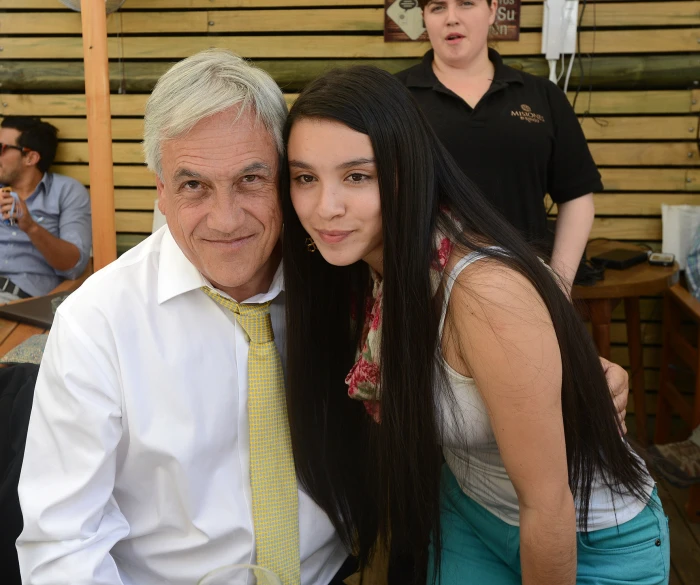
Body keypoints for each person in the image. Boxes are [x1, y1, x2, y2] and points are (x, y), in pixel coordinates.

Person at [280, 66, 668, 585]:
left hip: (587, 537)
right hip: (469, 510)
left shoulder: (483, 292)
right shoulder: (363, 270)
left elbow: (547, 504)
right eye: (305, 177)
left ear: (406, 170)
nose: (325, 208)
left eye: (358, 176)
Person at [15, 50, 353, 585]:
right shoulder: (97, 321)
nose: (226, 219)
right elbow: (64, 545)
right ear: (162, 193)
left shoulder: (340, 282)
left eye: (251, 179)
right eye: (195, 185)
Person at [396, 0, 600, 294]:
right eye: (438, 7)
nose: (451, 18)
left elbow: (577, 197)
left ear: (493, 9)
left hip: (525, 288)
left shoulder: (543, 96)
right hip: (425, 291)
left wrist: (559, 285)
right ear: (425, 17)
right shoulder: (395, 97)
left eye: (466, 3)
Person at [0, 117, 92, 302]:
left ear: (30, 157)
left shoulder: (67, 192)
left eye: (1, 148)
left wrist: (30, 226)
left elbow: (75, 266)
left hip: (22, 301)